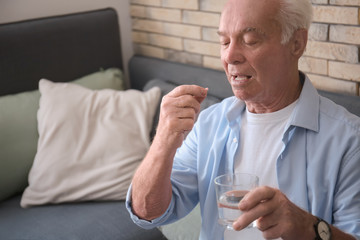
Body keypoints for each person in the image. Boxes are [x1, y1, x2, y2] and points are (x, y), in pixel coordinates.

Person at [126, 0, 360, 239]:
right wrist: (163, 141)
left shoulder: (349, 141)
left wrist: (305, 226)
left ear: (297, 43)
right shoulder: (210, 123)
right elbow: (147, 211)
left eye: (250, 41)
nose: (230, 56)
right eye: (224, 42)